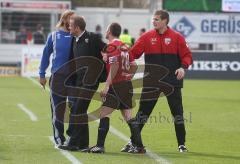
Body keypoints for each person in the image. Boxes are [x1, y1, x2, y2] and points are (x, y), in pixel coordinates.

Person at [121, 10, 193, 153]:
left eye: (157, 19)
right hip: (151, 81)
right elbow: (133, 53)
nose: (154, 22)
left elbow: (187, 55)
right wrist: (122, 55)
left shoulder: (177, 37)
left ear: (165, 21)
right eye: (153, 19)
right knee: (143, 113)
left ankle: (182, 144)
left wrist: (183, 67)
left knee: (177, 113)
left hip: (172, 82)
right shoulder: (146, 37)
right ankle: (133, 142)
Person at [88, 22, 145, 154]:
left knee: (104, 113)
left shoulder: (112, 46)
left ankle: (100, 146)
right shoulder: (124, 46)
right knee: (128, 116)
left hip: (116, 85)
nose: (105, 31)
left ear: (109, 31)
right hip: (126, 85)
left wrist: (107, 86)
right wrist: (127, 77)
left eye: (107, 29)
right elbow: (134, 65)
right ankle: (140, 146)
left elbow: (114, 67)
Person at [58, 15, 106, 152]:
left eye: (71, 25)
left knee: (78, 109)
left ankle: (73, 142)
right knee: (77, 109)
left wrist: (105, 60)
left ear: (77, 28)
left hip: (91, 81)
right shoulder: (74, 40)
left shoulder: (93, 38)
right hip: (79, 82)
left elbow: (108, 49)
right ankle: (83, 143)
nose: (68, 27)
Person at [39, 10, 75, 149]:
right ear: (65, 19)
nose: (73, 21)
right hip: (58, 78)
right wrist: (42, 74)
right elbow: (45, 55)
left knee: (75, 108)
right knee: (58, 110)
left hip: (74, 79)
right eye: (71, 19)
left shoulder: (77, 36)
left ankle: (72, 137)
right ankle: (59, 139)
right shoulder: (53, 36)